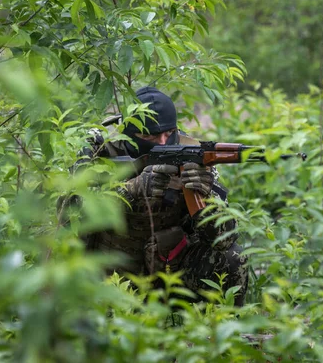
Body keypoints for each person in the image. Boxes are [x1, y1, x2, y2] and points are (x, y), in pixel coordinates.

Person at [65, 87, 248, 306]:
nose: (162, 143)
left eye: (168, 134)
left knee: (233, 258)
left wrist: (206, 197)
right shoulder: (101, 151)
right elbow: (70, 220)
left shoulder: (191, 153)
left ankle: (220, 330)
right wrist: (131, 189)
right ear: (130, 134)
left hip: (170, 271)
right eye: (149, 136)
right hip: (109, 274)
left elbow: (225, 239)